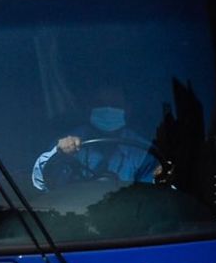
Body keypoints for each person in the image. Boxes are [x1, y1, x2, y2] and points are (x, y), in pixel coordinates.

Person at [32, 82, 161, 192]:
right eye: (100, 104)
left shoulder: (143, 152)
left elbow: (151, 195)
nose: (108, 109)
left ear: (128, 109)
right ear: (89, 107)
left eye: (115, 105)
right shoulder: (67, 143)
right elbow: (40, 183)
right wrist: (58, 154)